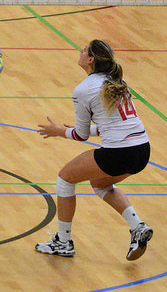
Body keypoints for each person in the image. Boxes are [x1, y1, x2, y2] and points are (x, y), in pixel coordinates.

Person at [35, 39, 153, 260]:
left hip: (118, 152)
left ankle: (63, 242)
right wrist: (88, 130)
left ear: (90, 60)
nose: (80, 51)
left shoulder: (83, 90)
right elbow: (114, 123)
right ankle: (137, 227)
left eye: (84, 50)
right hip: (142, 149)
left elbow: (79, 135)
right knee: (100, 184)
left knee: (65, 178)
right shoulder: (117, 80)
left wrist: (58, 130)